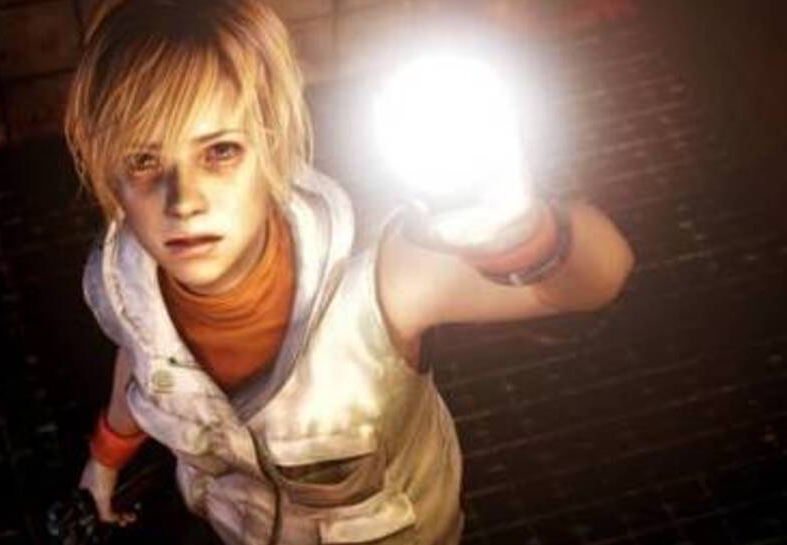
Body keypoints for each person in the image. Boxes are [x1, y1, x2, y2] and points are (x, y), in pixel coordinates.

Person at [63, 1, 634, 544]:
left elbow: (602, 278)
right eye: (144, 161)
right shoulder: (123, 274)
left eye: (220, 152)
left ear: (272, 145)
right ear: (110, 177)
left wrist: (528, 235)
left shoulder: (379, 276)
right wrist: (105, 459)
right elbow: (142, 350)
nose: (183, 201)